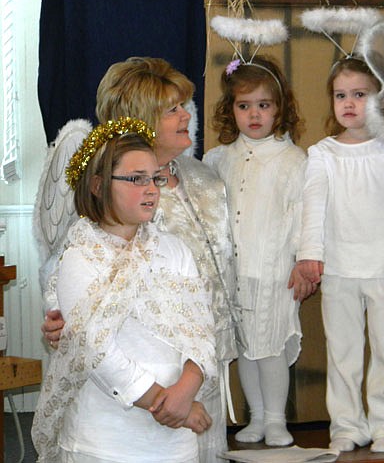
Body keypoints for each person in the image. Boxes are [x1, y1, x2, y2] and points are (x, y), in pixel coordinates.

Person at [41, 57, 238, 462]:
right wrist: (60, 317)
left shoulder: (204, 178)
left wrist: (193, 375)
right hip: (129, 390)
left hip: (197, 366)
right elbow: (67, 272)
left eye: (185, 106)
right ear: (141, 119)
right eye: (172, 109)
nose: (186, 115)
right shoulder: (111, 190)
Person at [295, 56, 384, 453]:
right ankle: (346, 424)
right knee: (342, 351)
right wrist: (309, 254)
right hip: (340, 269)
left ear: (383, 97)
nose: (348, 103)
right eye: (340, 95)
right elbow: (313, 207)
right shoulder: (322, 153)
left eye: (360, 95)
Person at [204, 56, 311, 447]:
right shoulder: (218, 160)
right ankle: (256, 416)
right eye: (243, 105)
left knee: (271, 348)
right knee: (245, 350)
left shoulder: (293, 161)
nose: (253, 114)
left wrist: (303, 262)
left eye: (263, 105)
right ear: (230, 109)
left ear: (279, 108)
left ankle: (276, 419)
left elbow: (304, 216)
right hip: (234, 275)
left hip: (274, 272)